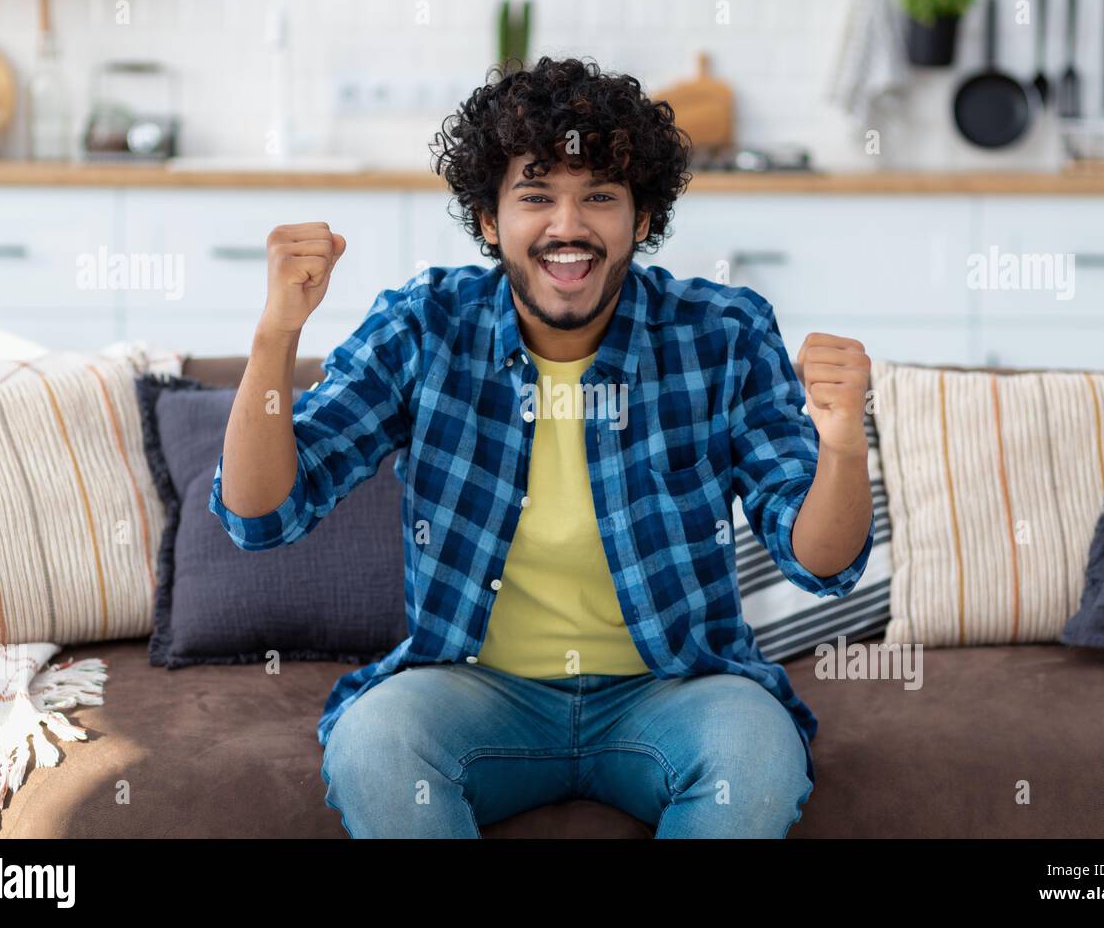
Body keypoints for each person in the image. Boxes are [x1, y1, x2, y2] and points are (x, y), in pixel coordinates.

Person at [209, 56, 875, 838]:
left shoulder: (722, 334)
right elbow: (261, 516)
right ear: (491, 221)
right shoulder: (427, 325)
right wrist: (276, 335)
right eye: (536, 197)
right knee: (376, 746)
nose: (568, 227)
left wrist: (842, 448)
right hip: (475, 691)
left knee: (758, 760)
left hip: (676, 690)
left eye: (599, 196)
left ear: (644, 220)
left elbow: (822, 562)